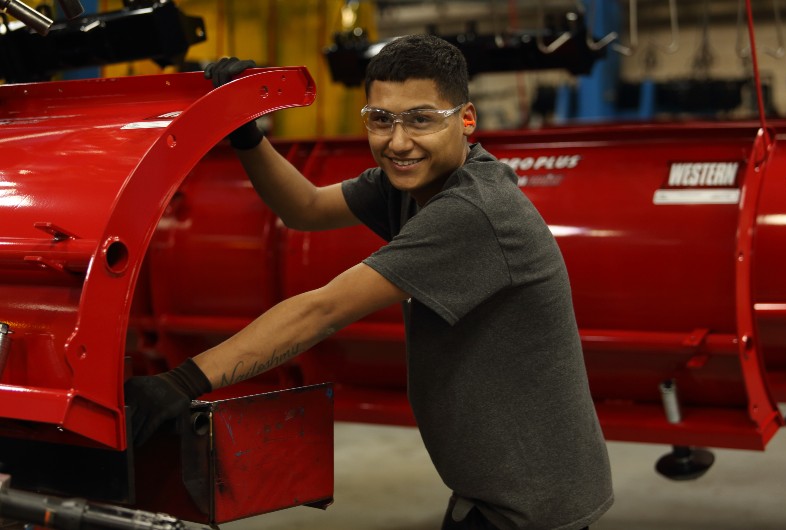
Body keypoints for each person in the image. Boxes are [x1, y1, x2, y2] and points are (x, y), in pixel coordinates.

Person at [125, 34, 613, 530]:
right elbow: (306, 208)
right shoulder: (412, 183)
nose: (398, 141)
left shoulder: (474, 211)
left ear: (465, 119)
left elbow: (324, 310)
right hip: (492, 487)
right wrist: (248, 135)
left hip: (534, 503)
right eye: (381, 120)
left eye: (421, 119)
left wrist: (181, 382)